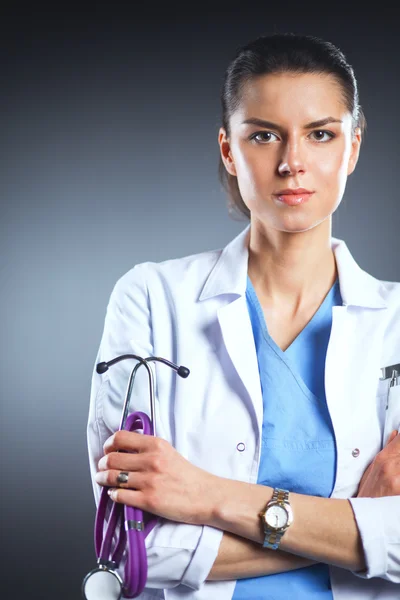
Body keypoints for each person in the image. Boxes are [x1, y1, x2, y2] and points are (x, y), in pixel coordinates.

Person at [87, 33, 400, 600]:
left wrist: (207, 496)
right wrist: (353, 528)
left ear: (352, 148)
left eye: (321, 135)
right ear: (229, 150)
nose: (292, 163)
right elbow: (135, 551)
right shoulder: (152, 299)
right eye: (263, 136)